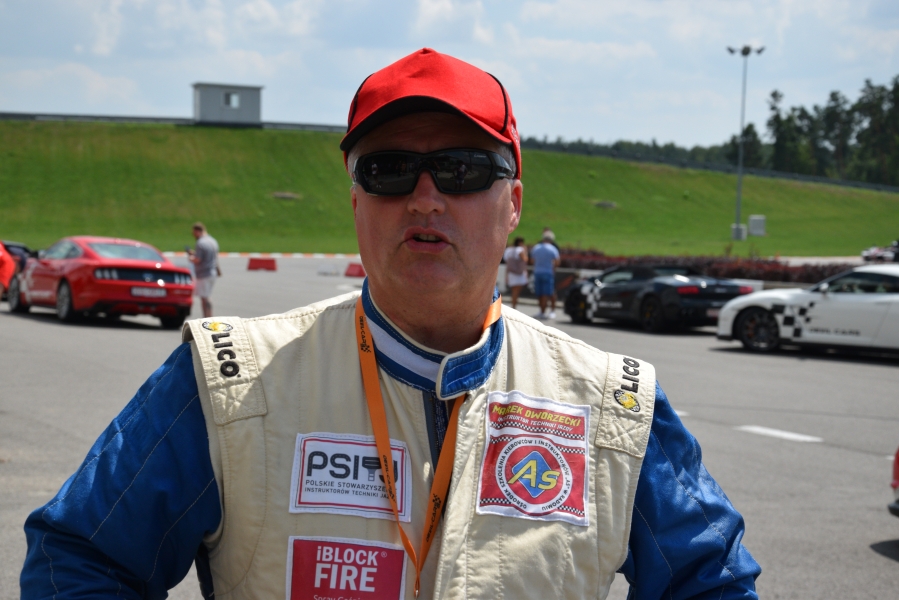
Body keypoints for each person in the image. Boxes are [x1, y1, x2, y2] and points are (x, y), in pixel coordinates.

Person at [21, 48, 759, 599]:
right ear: (355, 202)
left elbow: (712, 582)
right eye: (389, 170)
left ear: (513, 203)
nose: (424, 198)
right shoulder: (230, 381)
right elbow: (80, 558)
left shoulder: (611, 402)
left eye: (463, 170)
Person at [188, 222, 219, 318]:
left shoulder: (200, 243)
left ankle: (207, 318)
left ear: (197, 231)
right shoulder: (212, 241)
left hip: (204, 273)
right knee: (206, 296)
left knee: (205, 298)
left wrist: (191, 258)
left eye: (194, 233)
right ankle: (208, 318)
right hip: (212, 272)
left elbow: (198, 259)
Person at [530, 230, 560, 319]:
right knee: (548, 293)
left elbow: (532, 260)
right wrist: (553, 268)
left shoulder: (536, 248)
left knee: (539, 293)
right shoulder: (553, 249)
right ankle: (550, 311)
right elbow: (557, 262)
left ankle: (541, 311)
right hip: (548, 272)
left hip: (537, 272)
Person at [503, 236, 529, 309]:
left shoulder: (508, 250)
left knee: (514, 290)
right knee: (516, 291)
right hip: (518, 273)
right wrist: (525, 251)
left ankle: (513, 305)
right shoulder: (520, 249)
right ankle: (514, 306)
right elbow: (525, 259)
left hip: (511, 272)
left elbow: (506, 260)